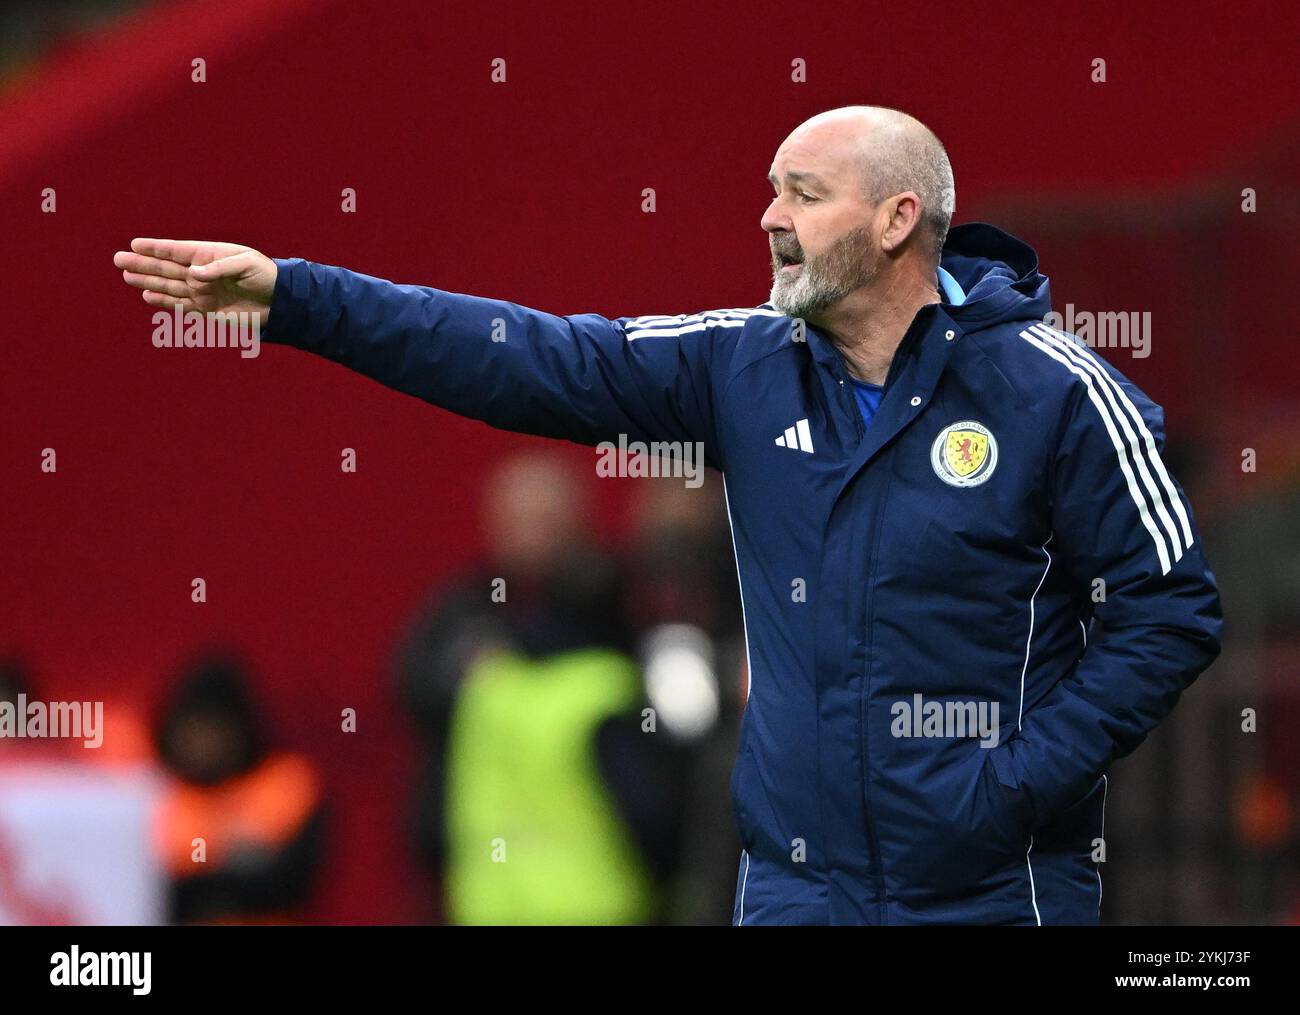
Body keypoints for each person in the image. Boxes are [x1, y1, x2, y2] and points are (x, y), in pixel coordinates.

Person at [113, 104, 1223, 925]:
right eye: (770, 189)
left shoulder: (1054, 389)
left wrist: (1014, 784)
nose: (768, 215)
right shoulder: (742, 363)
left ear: (896, 220)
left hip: (995, 894)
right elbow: (522, 356)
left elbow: (1170, 609)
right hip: (793, 888)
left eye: (801, 192)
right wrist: (296, 296)